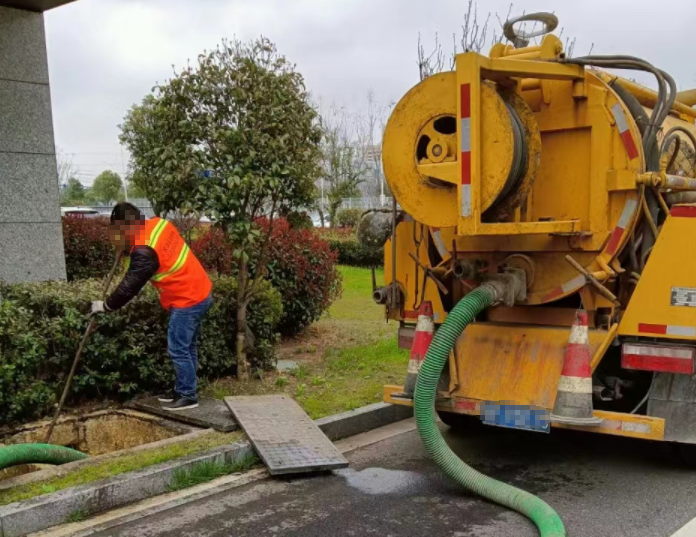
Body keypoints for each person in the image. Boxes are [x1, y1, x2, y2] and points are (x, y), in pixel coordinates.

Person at [91, 202, 213, 410]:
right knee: (187, 347)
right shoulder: (159, 225)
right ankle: (184, 387)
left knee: (178, 349)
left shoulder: (144, 250)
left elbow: (130, 285)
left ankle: (187, 395)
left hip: (187, 300)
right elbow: (150, 251)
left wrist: (106, 306)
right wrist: (129, 248)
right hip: (200, 291)